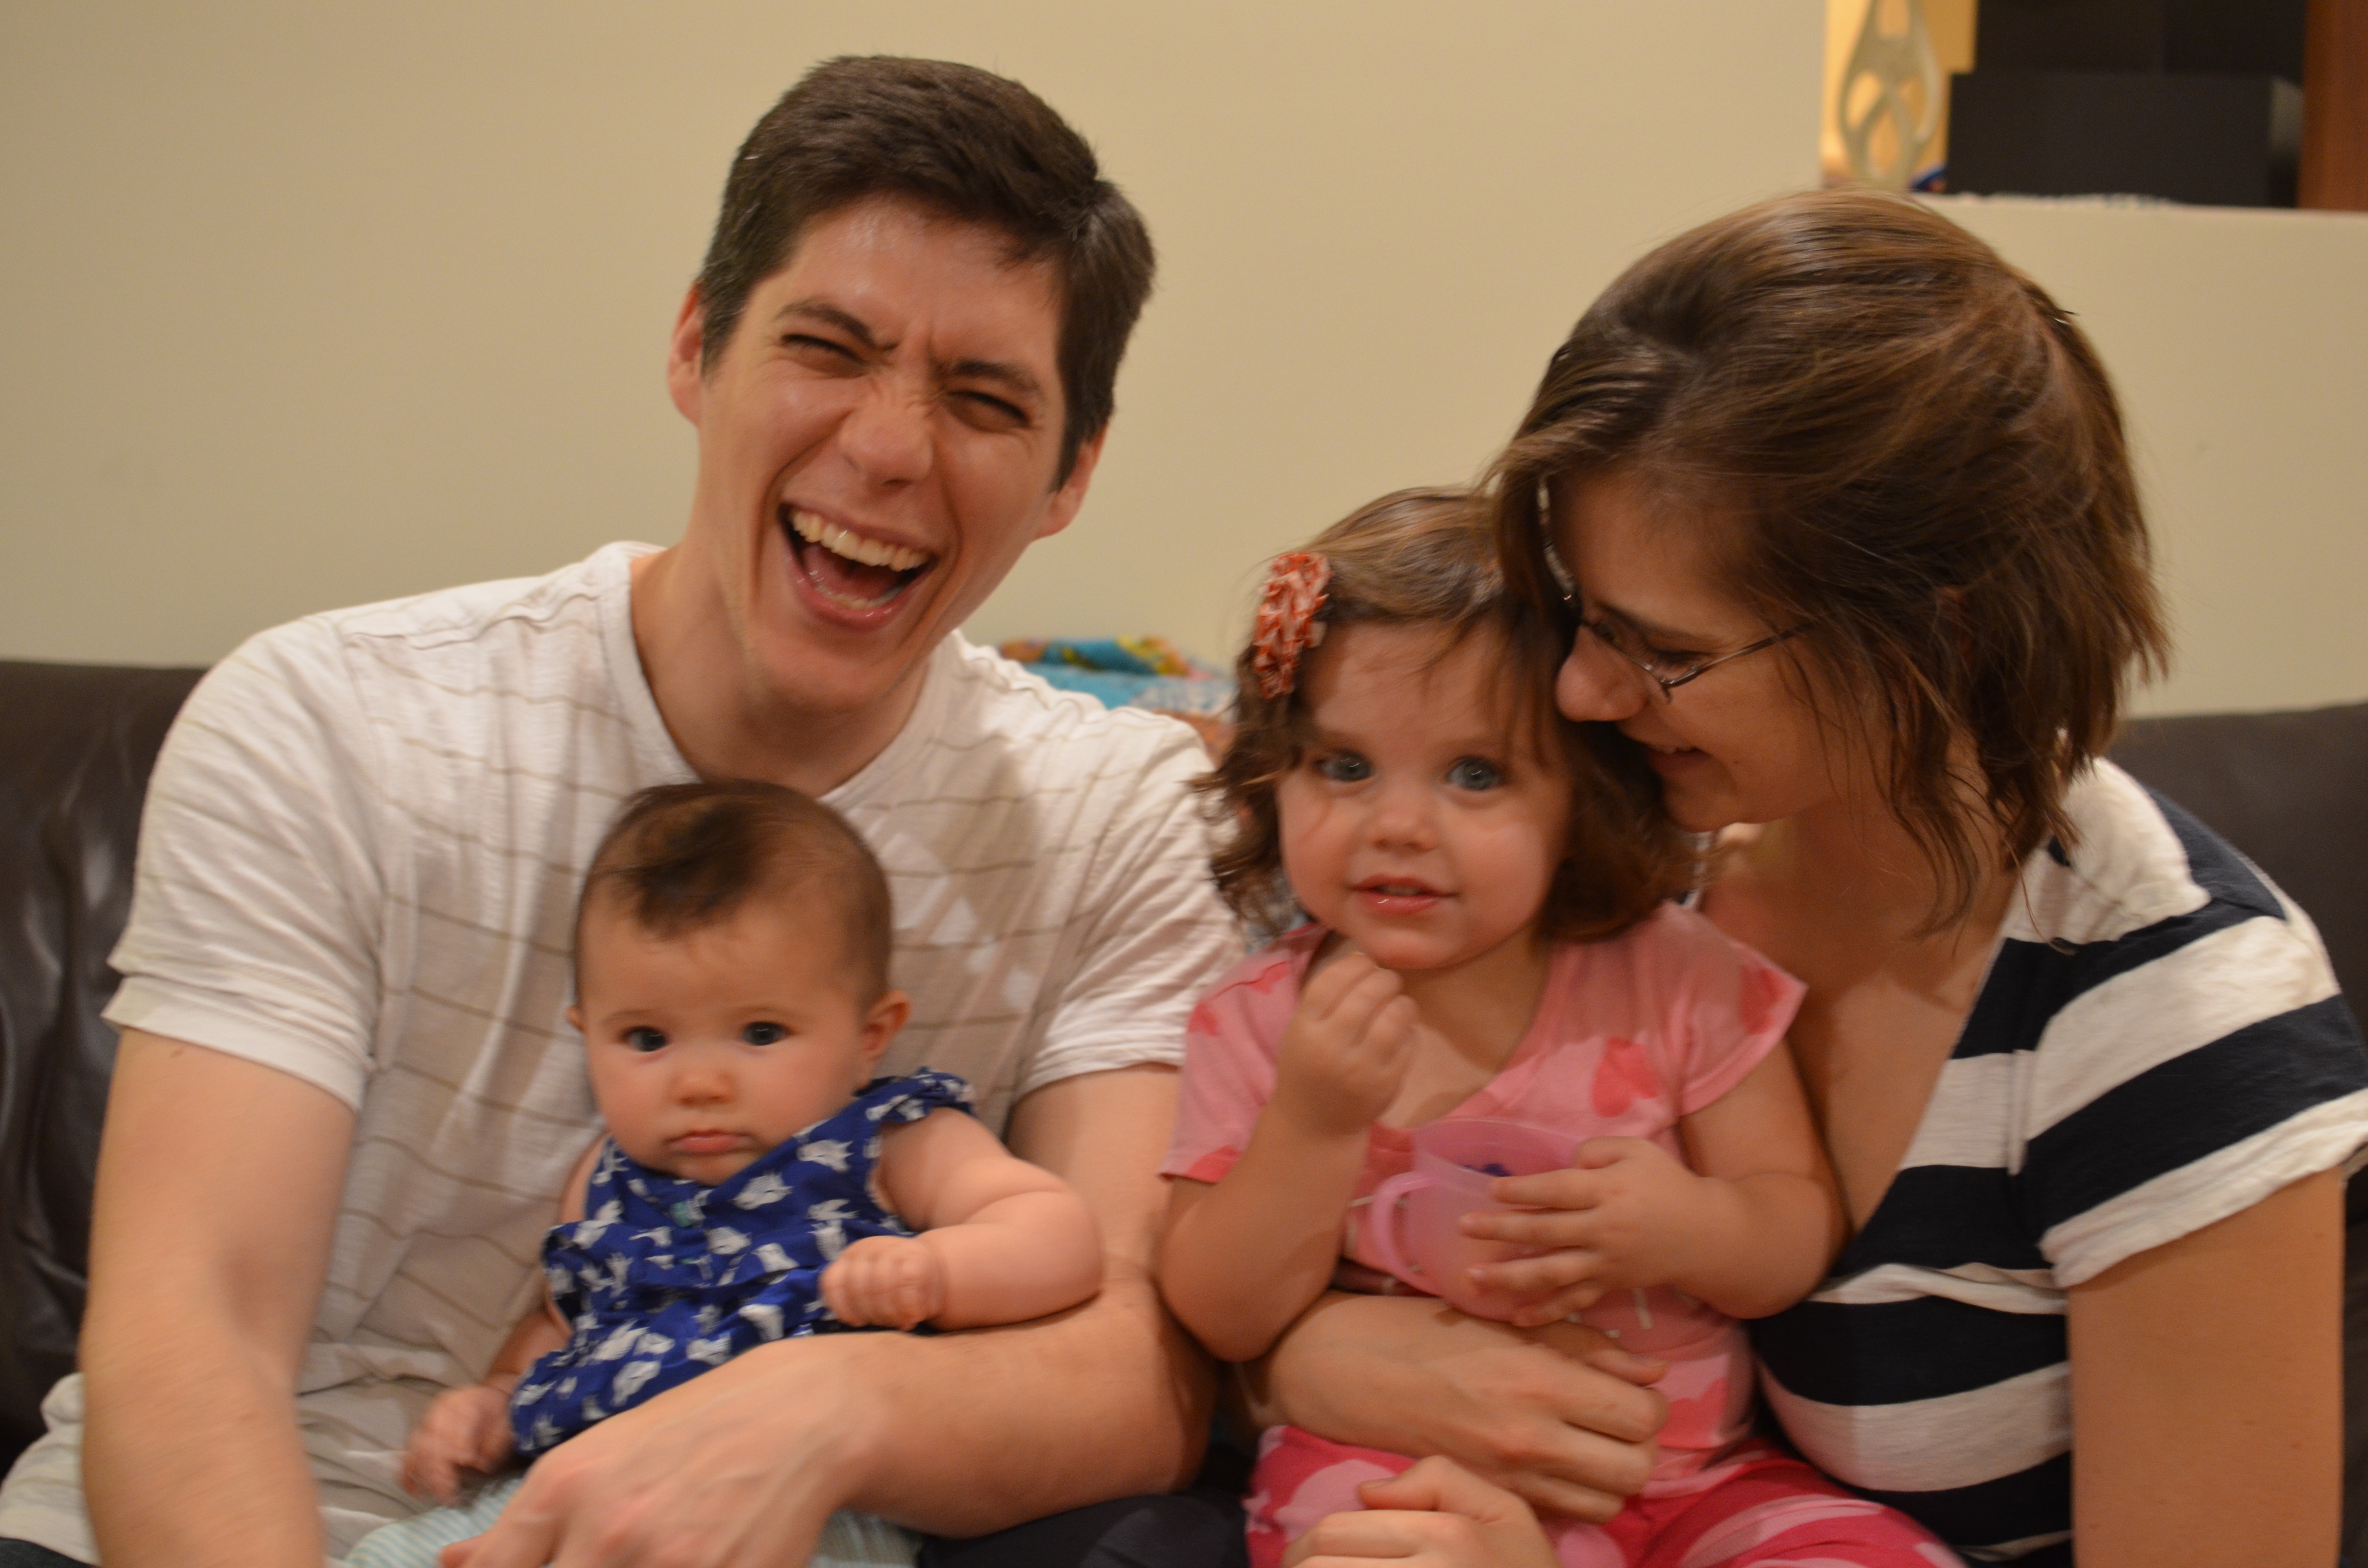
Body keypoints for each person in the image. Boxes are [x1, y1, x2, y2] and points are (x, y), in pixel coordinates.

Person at [0, 55, 1246, 1568]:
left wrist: (826, 1410)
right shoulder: (325, 720)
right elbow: (191, 1331)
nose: (888, 448)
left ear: (1070, 476)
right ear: (696, 348)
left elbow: (1135, 1369)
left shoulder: (1121, 813)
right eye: (827, 348)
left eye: (985, 401)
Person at [1463, 189, 2361, 1567]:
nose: (1583, 691)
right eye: (1582, 616)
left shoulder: (2173, 1017)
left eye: (1669, 653)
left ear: (1937, 634)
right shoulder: (1639, 858)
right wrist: (1325, 1364)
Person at [1156, 490, 1960, 1568]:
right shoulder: (1255, 1021)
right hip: (1399, 1475)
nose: (1397, 824)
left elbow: (1793, 1228)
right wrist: (1311, 1124)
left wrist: (1688, 1227)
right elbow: (1220, 1316)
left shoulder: (1675, 975)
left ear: (1579, 799)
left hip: (1692, 1484)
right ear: (1273, 777)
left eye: (1475, 774)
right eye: (1342, 766)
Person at [346, 780, 1106, 1568]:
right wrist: (495, 1402)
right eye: (647, 1040)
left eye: (761, 1032)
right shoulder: (605, 1179)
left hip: (812, 1505)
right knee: (385, 1558)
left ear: (870, 1035)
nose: (700, 1084)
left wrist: (939, 1271)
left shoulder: (886, 1140)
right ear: (586, 1035)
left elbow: (1058, 1233)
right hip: (573, 1488)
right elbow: (562, 1322)